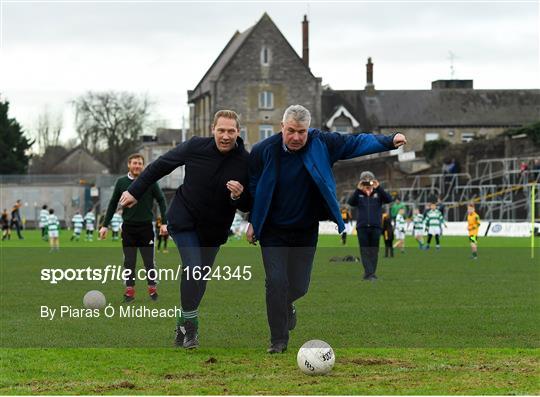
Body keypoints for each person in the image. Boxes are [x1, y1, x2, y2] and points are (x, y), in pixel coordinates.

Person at [247, 105, 406, 353]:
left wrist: (388, 140)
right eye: (291, 131)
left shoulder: (322, 143)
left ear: (308, 130)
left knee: (299, 286)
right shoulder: (262, 151)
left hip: (305, 229)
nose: (297, 137)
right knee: (275, 282)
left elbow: (355, 142)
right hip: (272, 231)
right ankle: (278, 340)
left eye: (302, 132)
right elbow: (254, 188)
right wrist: (253, 221)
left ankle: (286, 304)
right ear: (282, 127)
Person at [118, 110, 250, 349]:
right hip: (185, 220)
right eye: (221, 130)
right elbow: (160, 166)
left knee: (200, 280)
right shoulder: (195, 147)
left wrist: (239, 196)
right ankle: (191, 330)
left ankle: (182, 321)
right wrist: (135, 191)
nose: (226, 136)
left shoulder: (245, 162)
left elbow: (249, 202)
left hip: (215, 229)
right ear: (213, 130)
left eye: (231, 131)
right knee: (193, 269)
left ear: (238, 133)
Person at [99, 153, 168, 303]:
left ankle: (152, 290)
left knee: (149, 261)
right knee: (129, 262)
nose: (137, 166)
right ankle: (129, 292)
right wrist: (105, 225)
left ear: (143, 166)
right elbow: (112, 204)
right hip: (129, 228)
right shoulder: (121, 182)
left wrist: (164, 222)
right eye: (134, 163)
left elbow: (162, 200)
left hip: (146, 228)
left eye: (140, 163)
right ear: (129, 165)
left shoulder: (150, 181)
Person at [347, 171, 393, 280]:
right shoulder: (359, 194)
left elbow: (389, 199)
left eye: (369, 179)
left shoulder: (378, 193)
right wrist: (358, 189)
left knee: (374, 251)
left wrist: (379, 187)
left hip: (376, 226)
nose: (367, 181)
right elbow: (351, 202)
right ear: (361, 181)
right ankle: (370, 273)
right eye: (365, 179)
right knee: (364, 251)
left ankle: (370, 273)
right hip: (362, 227)